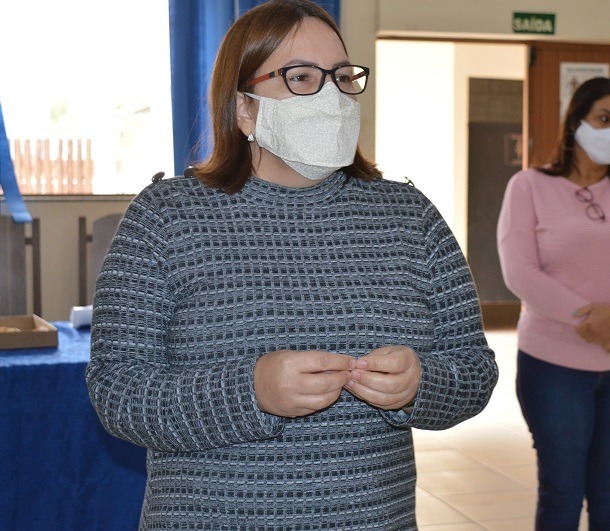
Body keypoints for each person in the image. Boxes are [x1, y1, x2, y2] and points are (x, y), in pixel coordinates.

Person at [86, 1, 498, 528]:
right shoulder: (166, 217)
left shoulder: (409, 217)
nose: (331, 96)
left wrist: (423, 384)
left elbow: (475, 372)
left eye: (342, 77)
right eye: (302, 77)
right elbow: (117, 391)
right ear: (244, 108)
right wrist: (250, 391)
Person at [496, 77, 610, 530]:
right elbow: (521, 273)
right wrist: (592, 320)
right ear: (575, 121)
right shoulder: (529, 186)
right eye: (604, 118)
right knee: (561, 492)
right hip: (553, 365)